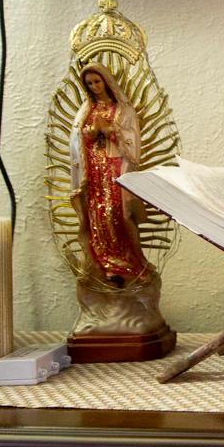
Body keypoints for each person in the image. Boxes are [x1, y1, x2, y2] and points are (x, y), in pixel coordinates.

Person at [69, 62, 151, 287]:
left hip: (116, 167)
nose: (94, 86)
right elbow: (77, 140)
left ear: (106, 81)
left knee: (117, 215)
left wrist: (110, 130)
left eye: (97, 81)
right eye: (89, 83)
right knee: (97, 215)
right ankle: (105, 264)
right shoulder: (86, 110)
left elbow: (132, 140)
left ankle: (129, 262)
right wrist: (91, 132)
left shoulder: (123, 110)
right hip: (94, 170)